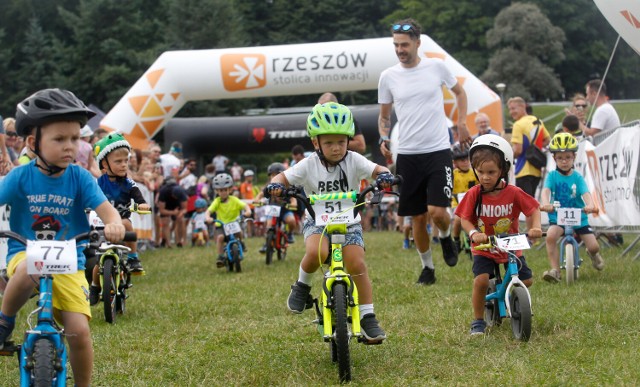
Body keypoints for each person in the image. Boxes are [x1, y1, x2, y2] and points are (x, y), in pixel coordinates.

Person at [0, 88, 126, 386]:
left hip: (70, 260)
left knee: (79, 332)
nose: (70, 146)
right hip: (25, 250)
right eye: (59, 139)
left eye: (75, 138)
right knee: (31, 266)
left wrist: (114, 223)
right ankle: (5, 320)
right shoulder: (20, 176)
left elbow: (107, 210)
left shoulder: (80, 177)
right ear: (33, 143)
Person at [266, 102, 394, 344]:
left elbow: (377, 169)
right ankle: (302, 287)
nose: (336, 148)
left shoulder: (355, 160)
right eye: (328, 143)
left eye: (341, 142)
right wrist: (276, 185)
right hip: (318, 221)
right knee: (316, 252)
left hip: (350, 222)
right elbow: (283, 177)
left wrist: (384, 175)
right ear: (316, 143)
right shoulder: (308, 164)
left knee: (356, 263)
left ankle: (368, 317)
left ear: (348, 140)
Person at [378, 18, 471, 285]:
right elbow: (384, 116)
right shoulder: (388, 77)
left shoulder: (436, 67)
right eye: (396, 45)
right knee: (417, 217)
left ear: (418, 43)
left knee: (438, 212)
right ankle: (427, 267)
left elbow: (460, 93)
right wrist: (384, 136)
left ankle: (444, 238)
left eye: (404, 45)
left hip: (438, 149)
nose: (400, 50)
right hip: (406, 154)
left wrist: (462, 122)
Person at [455, 134, 542, 335]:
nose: (485, 177)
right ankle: (478, 320)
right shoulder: (474, 194)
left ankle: (506, 290)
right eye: (481, 171)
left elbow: (533, 209)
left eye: (491, 172)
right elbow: (464, 218)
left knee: (526, 280)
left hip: (510, 245)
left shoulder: (513, 192)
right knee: (481, 281)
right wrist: (474, 232)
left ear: (503, 169)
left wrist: (535, 226)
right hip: (484, 247)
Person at [89, 133, 151, 304]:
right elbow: (88, 198)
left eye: (126, 161)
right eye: (118, 161)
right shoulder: (98, 183)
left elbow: (139, 198)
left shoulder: (129, 183)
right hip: (102, 223)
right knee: (98, 261)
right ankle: (94, 286)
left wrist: (142, 204)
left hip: (122, 222)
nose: (124, 165)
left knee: (126, 224)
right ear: (104, 164)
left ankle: (133, 257)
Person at [539, 133, 604, 282]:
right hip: (558, 217)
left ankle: (593, 254)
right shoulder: (552, 176)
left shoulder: (577, 177)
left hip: (579, 216)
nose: (564, 161)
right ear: (554, 159)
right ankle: (555, 270)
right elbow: (546, 191)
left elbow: (586, 193)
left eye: (568, 157)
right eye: (560, 158)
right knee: (550, 236)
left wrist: (590, 204)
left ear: (574, 157)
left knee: (594, 246)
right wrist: (546, 203)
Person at [508, 96, 551, 198]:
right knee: (532, 202)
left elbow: (518, 150)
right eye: (510, 109)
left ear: (523, 107)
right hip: (536, 168)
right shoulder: (538, 121)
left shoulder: (518, 125)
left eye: (514, 108)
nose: (511, 112)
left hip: (523, 170)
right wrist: (536, 147)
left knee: (526, 206)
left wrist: (507, 157)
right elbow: (547, 140)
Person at [205, 173, 251, 267]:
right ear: (217, 191)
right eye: (221, 190)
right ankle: (220, 256)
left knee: (239, 233)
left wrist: (247, 211)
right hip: (221, 225)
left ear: (230, 189)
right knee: (220, 238)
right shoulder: (217, 201)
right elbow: (209, 211)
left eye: (225, 190)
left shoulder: (234, 199)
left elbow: (245, 205)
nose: (223, 192)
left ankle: (241, 243)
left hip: (234, 224)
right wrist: (208, 217)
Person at [255, 162, 298, 253]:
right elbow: (260, 194)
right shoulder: (268, 187)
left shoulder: (287, 186)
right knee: (269, 225)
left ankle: (290, 234)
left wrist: (293, 203)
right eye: (272, 175)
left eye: (277, 175)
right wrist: (257, 200)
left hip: (284, 210)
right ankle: (267, 244)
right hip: (272, 210)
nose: (274, 178)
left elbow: (293, 198)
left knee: (291, 221)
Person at [450, 144, 478, 254]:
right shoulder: (453, 174)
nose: (466, 162)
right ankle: (456, 240)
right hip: (457, 202)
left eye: (467, 159)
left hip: (472, 202)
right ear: (455, 163)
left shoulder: (474, 173)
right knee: (458, 219)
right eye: (462, 160)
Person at [157, 177, 188, 248]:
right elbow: (162, 210)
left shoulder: (182, 193)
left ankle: (180, 241)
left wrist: (180, 213)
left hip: (177, 206)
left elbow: (185, 209)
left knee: (180, 220)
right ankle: (168, 244)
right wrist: (173, 213)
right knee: (165, 222)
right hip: (166, 205)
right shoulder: (163, 192)